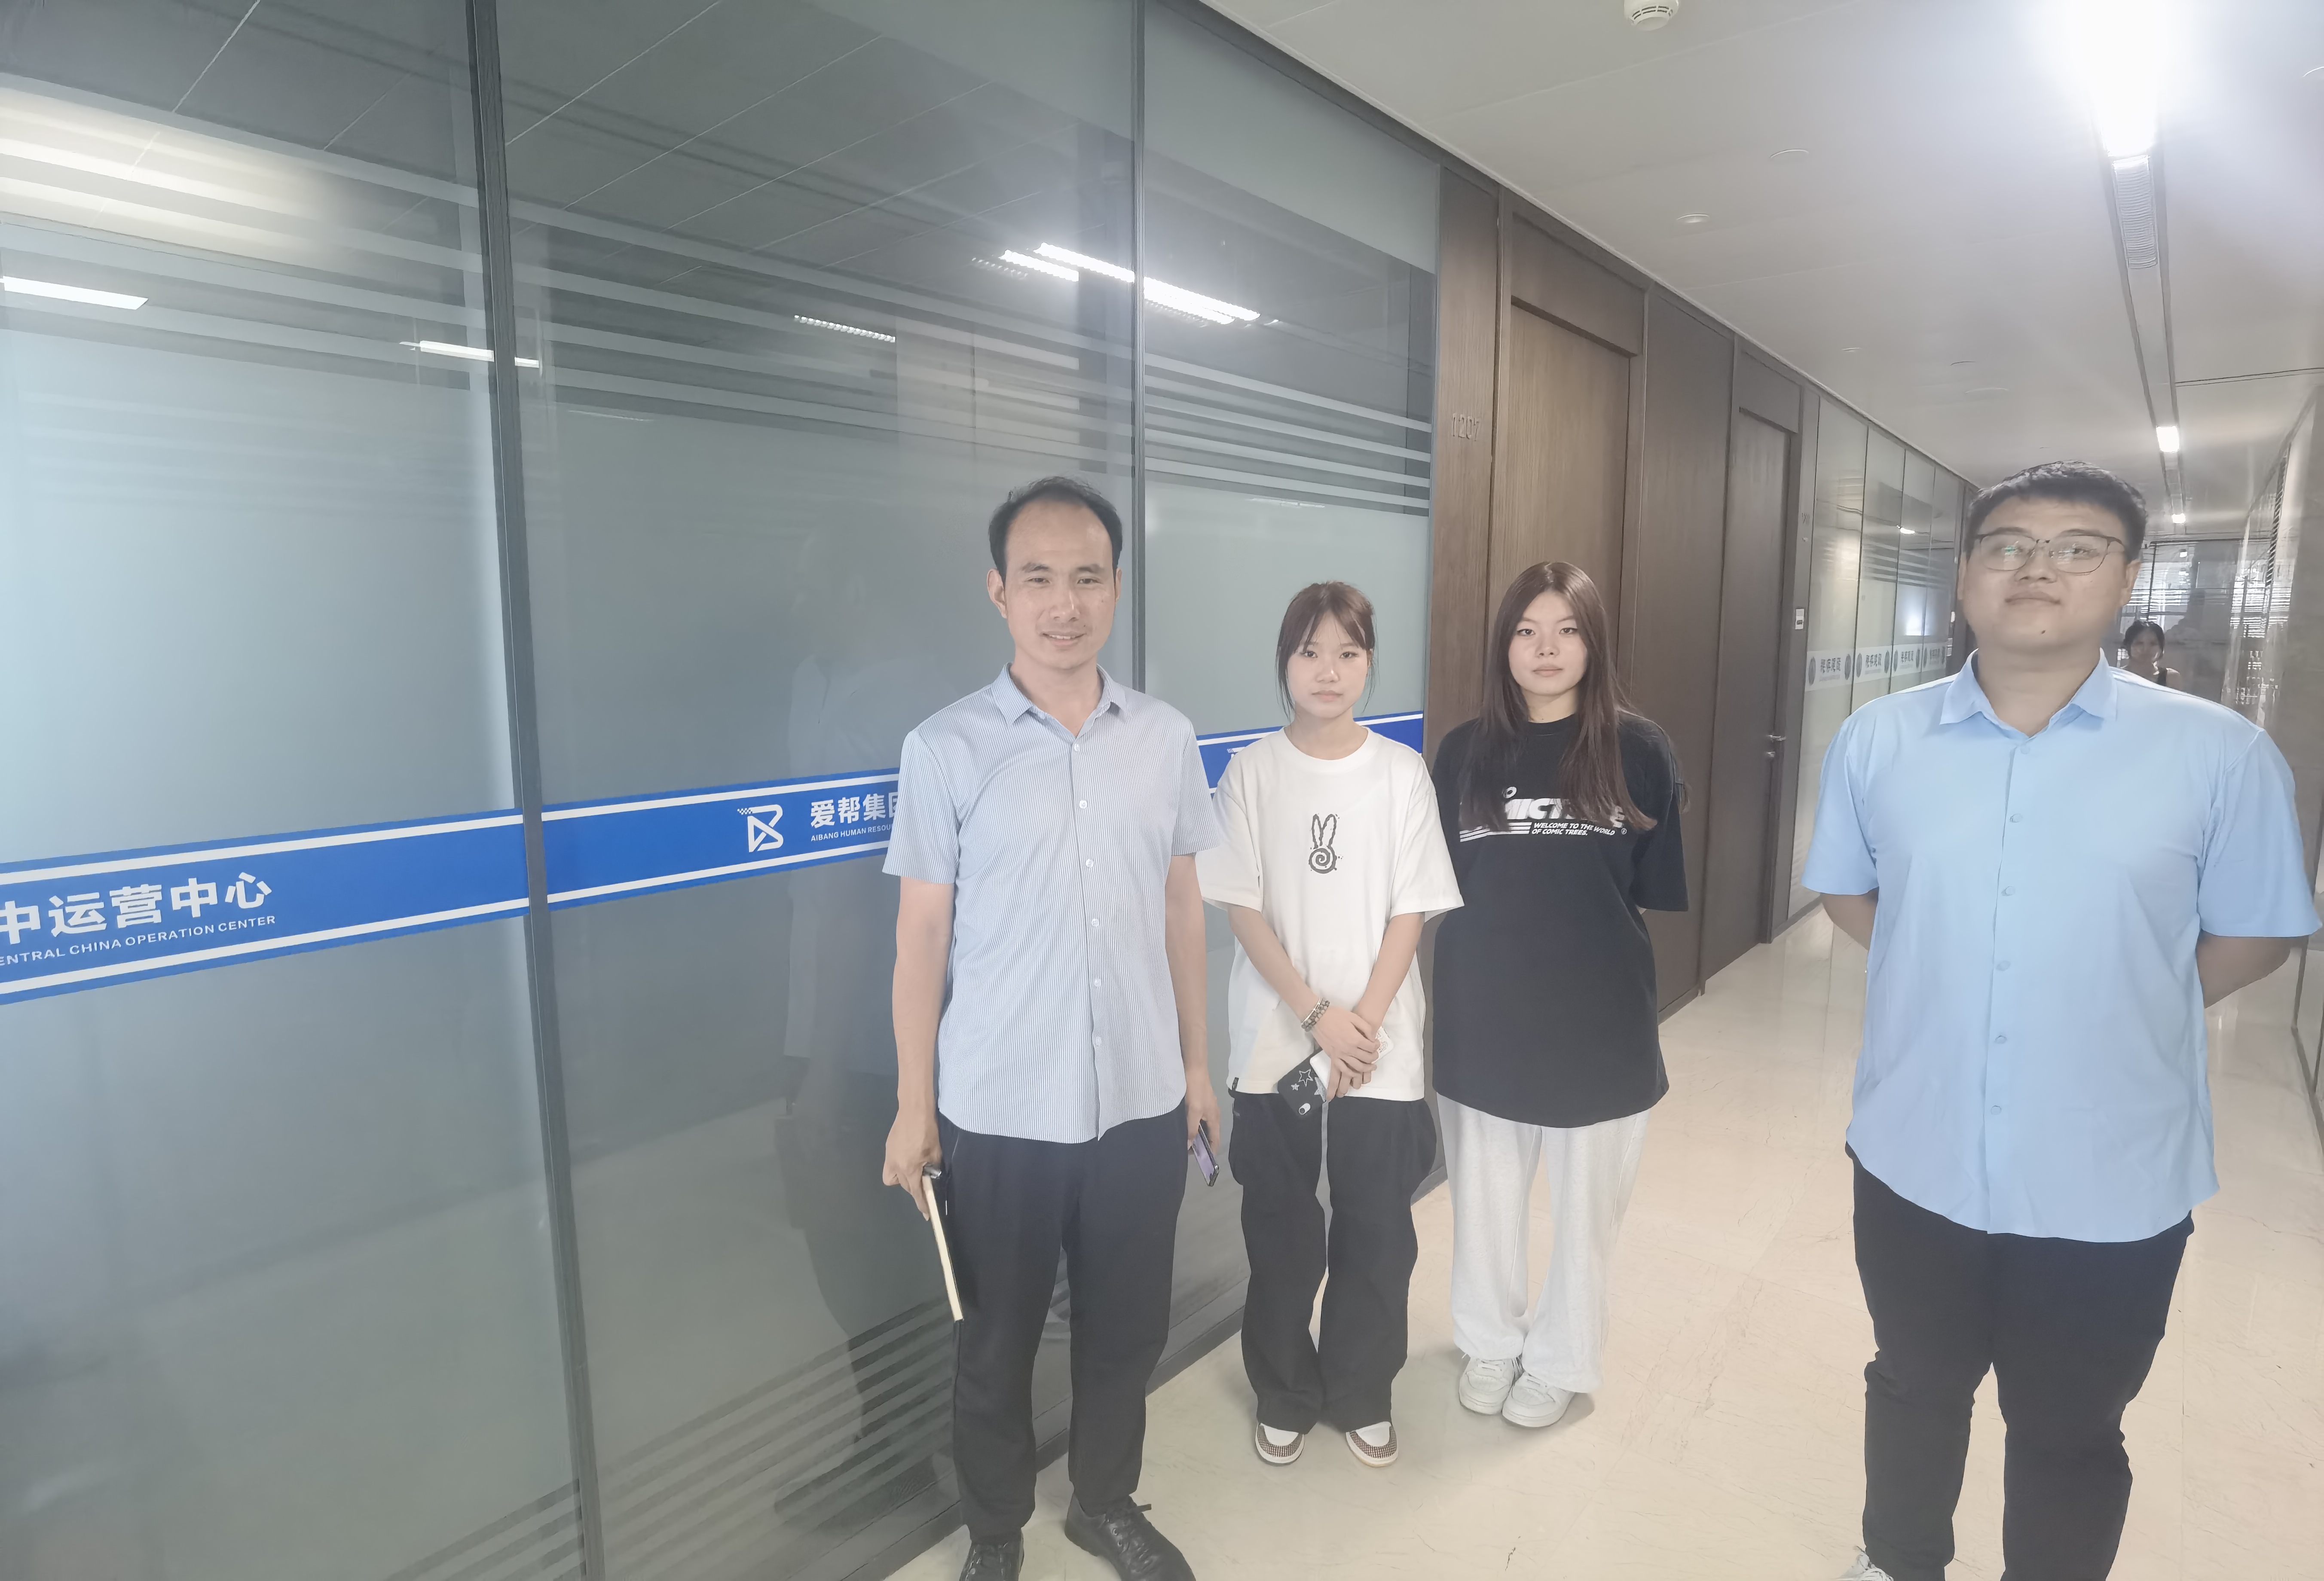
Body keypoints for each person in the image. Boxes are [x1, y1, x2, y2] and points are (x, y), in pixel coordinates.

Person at [1805, 461, 2318, 1581]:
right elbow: (1849, 892)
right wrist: (1948, 974)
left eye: (2078, 547)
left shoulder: (2216, 754)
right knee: (1912, 1380)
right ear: (1965, 575)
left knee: (2070, 1427)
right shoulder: (1880, 740)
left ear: (2127, 578)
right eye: (2007, 545)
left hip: (2109, 1173)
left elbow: (2255, 933)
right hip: (1913, 1147)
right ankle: (1898, 1561)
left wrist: (2125, 996)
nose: (2037, 567)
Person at [881, 476, 1221, 1581]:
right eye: (1038, 579)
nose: (1063, 603)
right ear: (998, 591)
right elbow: (921, 935)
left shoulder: (1164, 737)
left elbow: (1181, 907)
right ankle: (995, 1531)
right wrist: (914, 1105)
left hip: (1138, 1101)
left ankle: (1104, 1502)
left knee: (1126, 1331)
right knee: (994, 1341)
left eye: (1086, 577)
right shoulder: (945, 746)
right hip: (999, 1108)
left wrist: (1197, 1066)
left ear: (1115, 586)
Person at [1196, 582, 1462, 1472]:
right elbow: (1241, 909)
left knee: (1376, 1228)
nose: (1327, 670)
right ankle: (1284, 1391)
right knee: (1280, 1228)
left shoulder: (1400, 773)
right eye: (1309, 652)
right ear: (1284, 662)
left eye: (1347, 652)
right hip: (1276, 1044)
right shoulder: (1249, 774)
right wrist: (1317, 1016)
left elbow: (1410, 910)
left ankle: (1361, 1390)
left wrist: (1361, 1026)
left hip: (1378, 1049)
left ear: (1368, 664)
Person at [1428, 561, 1687, 1432]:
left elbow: (1645, 887)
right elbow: (1439, 880)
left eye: (1567, 630)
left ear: (1593, 643)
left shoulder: (1639, 750)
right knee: (1483, 1200)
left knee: (1585, 1214)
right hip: (1483, 1010)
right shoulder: (1462, 752)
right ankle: (1488, 1342)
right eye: (1526, 631)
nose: (1546, 649)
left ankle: (1561, 1361)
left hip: (1598, 1019)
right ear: (1503, 645)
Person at [2121, 617, 2181, 689]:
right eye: (2139, 643)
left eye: (2153, 644)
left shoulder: (2171, 678)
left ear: (2161, 648)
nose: (2146, 649)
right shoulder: (2116, 676)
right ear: (2128, 646)